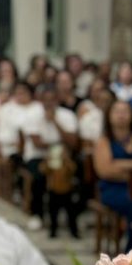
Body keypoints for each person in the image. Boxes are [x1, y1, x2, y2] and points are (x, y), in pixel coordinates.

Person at [21, 84, 80, 238]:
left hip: (64, 157)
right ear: (40, 100)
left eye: (52, 100)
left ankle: (73, 219)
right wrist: (59, 144)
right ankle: (37, 213)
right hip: (38, 156)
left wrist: (55, 121)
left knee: (74, 176)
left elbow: (73, 142)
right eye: (45, 100)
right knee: (39, 177)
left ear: (57, 100)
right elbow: (37, 143)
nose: (48, 103)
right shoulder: (32, 115)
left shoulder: (67, 115)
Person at [94, 101, 132, 251]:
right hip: (113, 189)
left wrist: (119, 164)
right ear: (109, 116)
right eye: (117, 111)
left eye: (125, 111)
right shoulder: (104, 141)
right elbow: (105, 170)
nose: (121, 115)